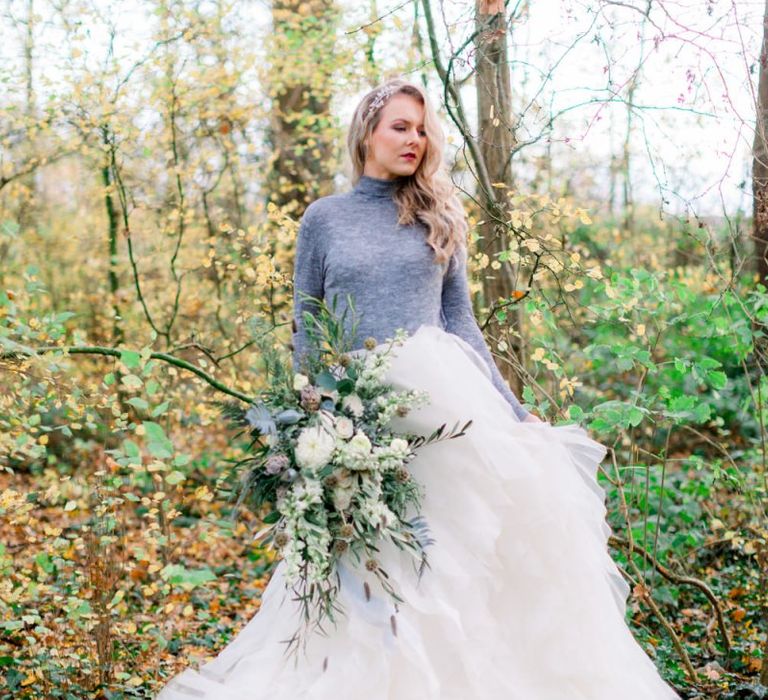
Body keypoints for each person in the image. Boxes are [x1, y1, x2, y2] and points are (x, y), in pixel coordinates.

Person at [156, 78, 681, 699]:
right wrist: (307, 413)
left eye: (422, 128)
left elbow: (461, 320)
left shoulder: (438, 213)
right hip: (359, 407)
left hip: (442, 404)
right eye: (400, 127)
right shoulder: (324, 220)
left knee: (450, 556)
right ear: (367, 134)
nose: (414, 139)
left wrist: (514, 412)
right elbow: (306, 321)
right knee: (370, 558)